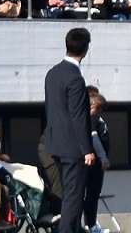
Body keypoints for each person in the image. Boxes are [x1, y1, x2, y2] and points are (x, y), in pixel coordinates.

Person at [44, 28, 97, 233]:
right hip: (73, 147)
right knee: (74, 201)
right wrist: (87, 149)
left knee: (68, 195)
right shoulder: (75, 78)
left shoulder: (52, 73)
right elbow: (78, 116)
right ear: (85, 49)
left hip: (56, 142)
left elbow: (50, 108)